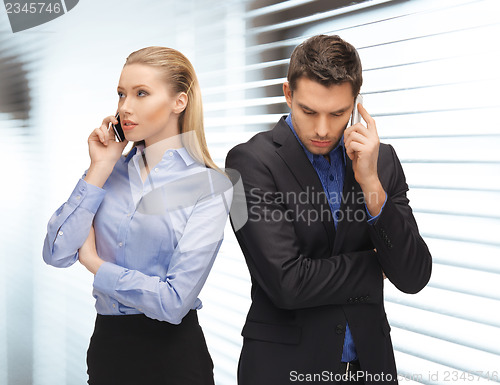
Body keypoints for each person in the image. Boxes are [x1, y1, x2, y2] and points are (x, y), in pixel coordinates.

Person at [225, 35, 432, 385]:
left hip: (371, 369)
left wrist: (371, 186)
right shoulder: (247, 163)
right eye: (309, 111)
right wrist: (376, 264)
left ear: (356, 103)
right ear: (288, 94)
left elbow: (413, 276)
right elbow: (287, 283)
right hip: (283, 371)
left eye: (337, 113)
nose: (322, 129)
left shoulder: (381, 161)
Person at [43, 46, 233, 385]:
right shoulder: (107, 173)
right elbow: (56, 253)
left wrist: (95, 264)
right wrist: (99, 167)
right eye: (121, 94)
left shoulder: (208, 186)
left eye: (141, 93)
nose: (124, 107)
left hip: (173, 358)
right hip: (107, 349)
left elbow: (174, 303)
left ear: (180, 101)